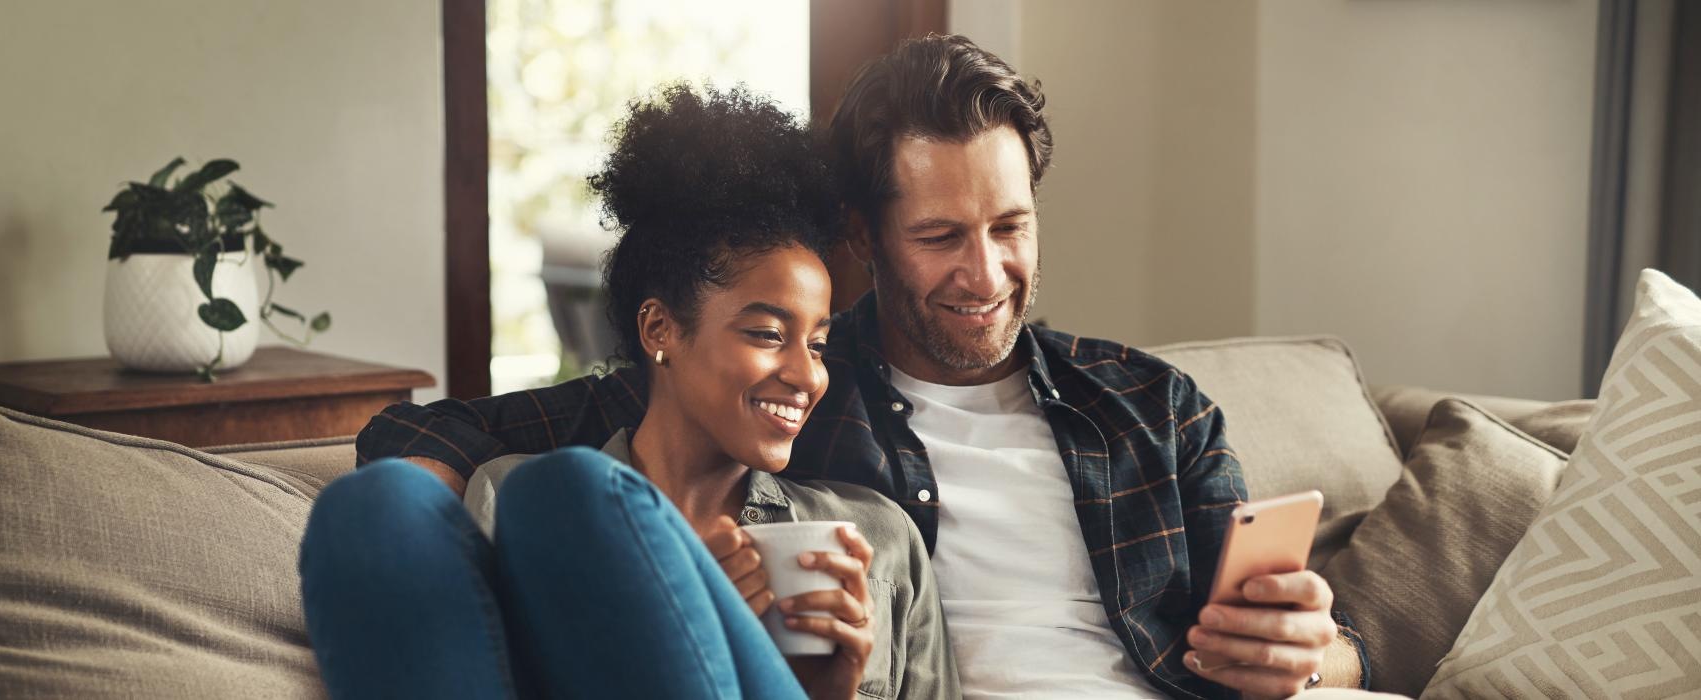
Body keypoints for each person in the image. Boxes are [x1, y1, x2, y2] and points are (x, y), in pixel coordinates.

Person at [358, 37, 1370, 699]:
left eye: (1010, 226)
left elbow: (1325, 634)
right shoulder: (786, 391)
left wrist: (1313, 652)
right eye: (940, 236)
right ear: (865, 236)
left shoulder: (1151, 406)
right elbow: (432, 436)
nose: (986, 273)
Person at [304, 83, 956, 700]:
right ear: (658, 328)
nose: (807, 374)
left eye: (816, 343)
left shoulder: (876, 536)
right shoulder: (510, 497)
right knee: (370, 507)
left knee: (568, 491)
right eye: (765, 333)